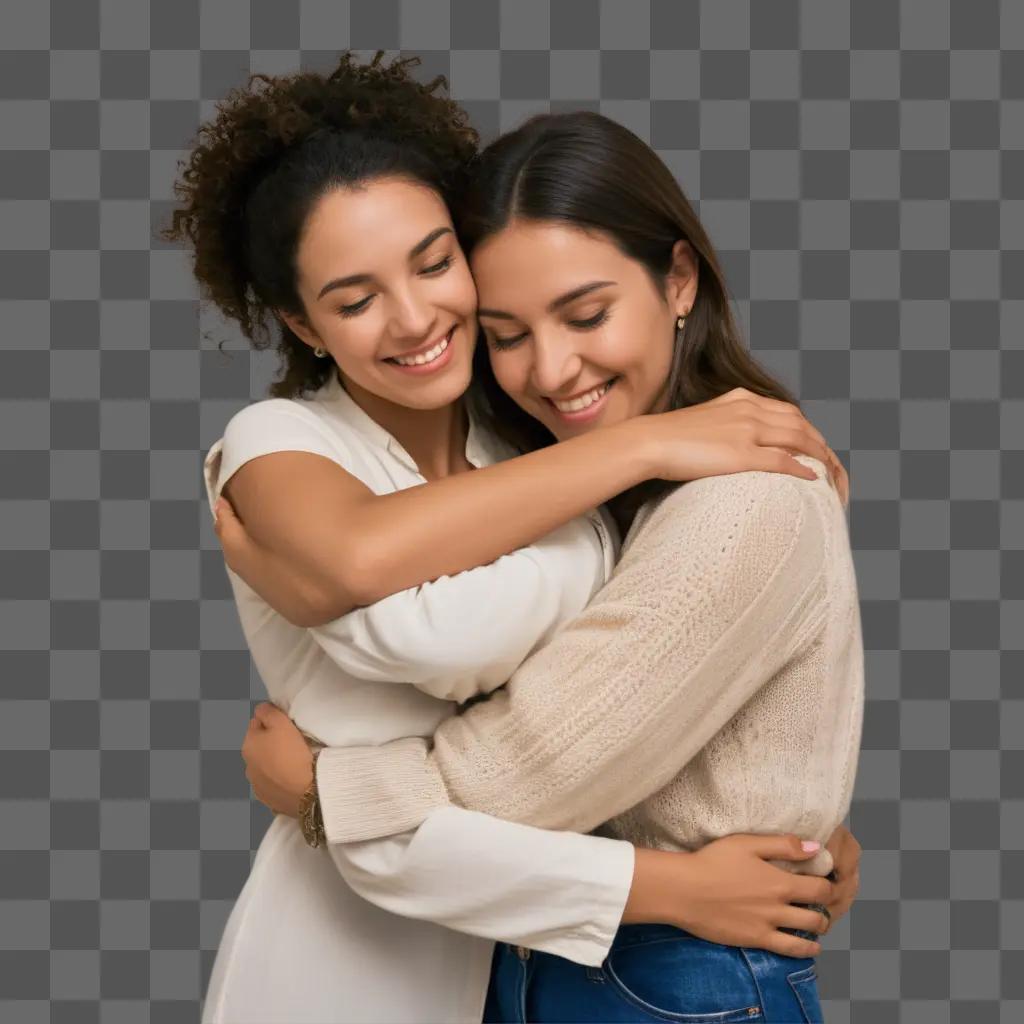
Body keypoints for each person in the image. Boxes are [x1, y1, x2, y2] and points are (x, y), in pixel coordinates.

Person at [172, 53, 855, 1024]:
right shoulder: (283, 441)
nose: (415, 319)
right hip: (349, 952)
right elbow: (407, 609)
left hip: (524, 956)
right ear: (301, 323)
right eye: (355, 298)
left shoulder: (526, 449)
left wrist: (794, 815)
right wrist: (650, 443)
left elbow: (575, 730)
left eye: (434, 262)